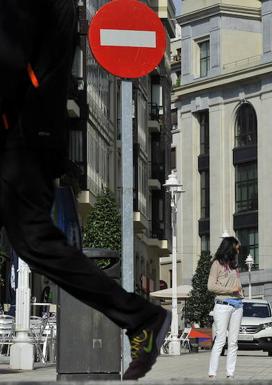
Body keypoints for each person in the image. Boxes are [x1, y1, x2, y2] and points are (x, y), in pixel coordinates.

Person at [0, 1, 170, 380]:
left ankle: (141, 317)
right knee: (37, 243)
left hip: (22, 141)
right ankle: (141, 317)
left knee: (37, 243)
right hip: (30, 138)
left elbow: (9, 64)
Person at [207, 237, 244, 379]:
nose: (238, 250)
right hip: (223, 305)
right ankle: (212, 373)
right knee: (220, 340)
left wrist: (240, 292)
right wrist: (230, 290)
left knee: (234, 342)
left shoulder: (234, 265)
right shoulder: (216, 264)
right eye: (237, 247)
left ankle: (230, 373)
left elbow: (236, 284)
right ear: (230, 247)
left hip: (238, 305)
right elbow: (211, 286)